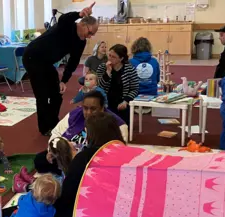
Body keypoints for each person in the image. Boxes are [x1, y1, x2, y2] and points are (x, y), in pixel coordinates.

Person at [22, 2, 98, 136]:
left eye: (92, 34)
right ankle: (45, 128)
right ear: (82, 24)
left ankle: (53, 123)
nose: (90, 36)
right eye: (90, 32)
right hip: (32, 57)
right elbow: (64, 18)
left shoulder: (81, 41)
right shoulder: (67, 25)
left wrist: (64, 80)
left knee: (57, 94)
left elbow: (73, 62)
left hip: (46, 62)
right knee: (43, 95)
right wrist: (79, 14)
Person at [34, 91, 128, 176]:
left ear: (102, 108)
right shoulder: (74, 115)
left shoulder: (117, 124)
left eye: (93, 109)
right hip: (67, 154)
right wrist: (54, 150)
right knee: (40, 159)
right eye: (85, 108)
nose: (88, 112)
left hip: (92, 161)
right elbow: (56, 133)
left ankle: (69, 172)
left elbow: (118, 152)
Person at [97, 44, 140, 124]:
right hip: (106, 103)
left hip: (122, 103)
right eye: (109, 55)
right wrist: (108, 72)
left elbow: (135, 88)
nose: (109, 58)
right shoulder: (102, 67)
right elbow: (99, 86)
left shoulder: (129, 69)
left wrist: (126, 101)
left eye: (113, 57)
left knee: (123, 127)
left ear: (121, 58)